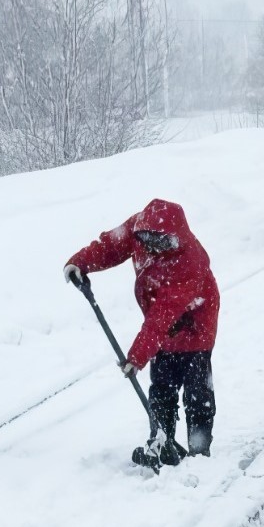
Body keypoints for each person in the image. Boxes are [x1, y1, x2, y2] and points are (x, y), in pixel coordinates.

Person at [64, 198, 220, 468]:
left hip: (195, 325)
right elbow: (111, 245)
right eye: (149, 241)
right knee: (162, 387)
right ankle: (161, 441)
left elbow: (162, 317)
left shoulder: (189, 261)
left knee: (197, 392)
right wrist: (81, 262)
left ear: (176, 237)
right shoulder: (142, 230)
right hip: (163, 328)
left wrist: (137, 356)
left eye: (162, 243)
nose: (153, 248)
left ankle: (199, 451)